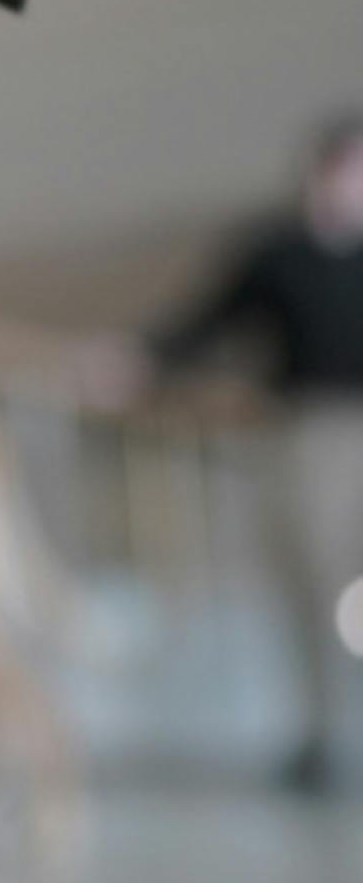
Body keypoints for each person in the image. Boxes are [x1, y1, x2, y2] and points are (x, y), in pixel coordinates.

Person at [99, 115, 363, 792]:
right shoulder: (279, 253)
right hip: (310, 433)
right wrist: (141, 359)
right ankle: (325, 732)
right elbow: (206, 318)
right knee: (316, 586)